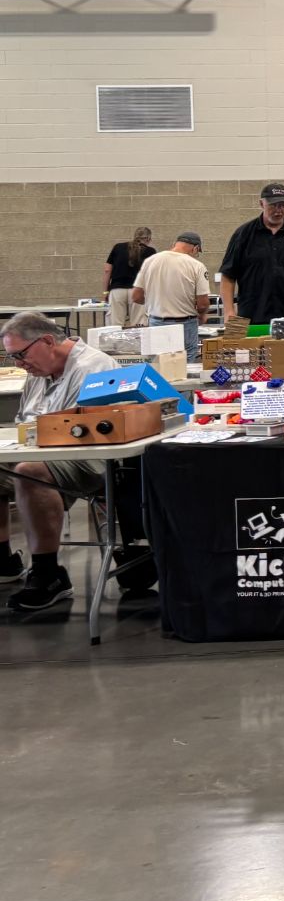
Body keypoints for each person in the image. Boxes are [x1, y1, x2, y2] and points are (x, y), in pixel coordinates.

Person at [1, 312, 122, 613]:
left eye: (20, 355)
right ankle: (4, 561)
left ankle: (48, 575)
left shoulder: (94, 367)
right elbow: (24, 421)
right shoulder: (38, 374)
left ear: (47, 341)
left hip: (92, 455)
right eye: (11, 357)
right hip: (42, 450)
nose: (19, 364)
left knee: (30, 471)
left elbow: (86, 431)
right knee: (22, 467)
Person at [219, 183, 284, 326]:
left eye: (282, 205)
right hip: (254, 315)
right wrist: (229, 311)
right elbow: (228, 276)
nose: (278, 210)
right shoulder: (244, 234)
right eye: (273, 205)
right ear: (262, 204)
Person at [131, 233, 211, 363]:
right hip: (185, 324)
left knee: (159, 364)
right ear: (195, 248)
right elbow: (202, 304)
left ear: (175, 244)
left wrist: (154, 302)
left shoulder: (150, 261)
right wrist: (202, 315)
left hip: (156, 323)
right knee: (184, 366)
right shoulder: (196, 265)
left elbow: (136, 296)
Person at [103, 227, 155, 327]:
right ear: (148, 239)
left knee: (115, 325)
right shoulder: (150, 251)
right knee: (138, 324)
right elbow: (151, 274)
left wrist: (105, 292)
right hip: (138, 291)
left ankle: (116, 337)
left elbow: (107, 270)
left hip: (117, 289)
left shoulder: (118, 247)